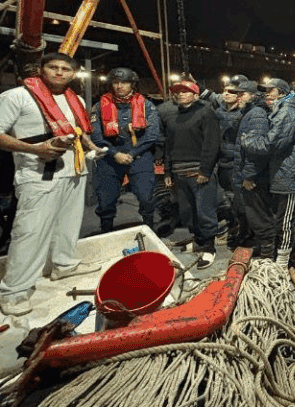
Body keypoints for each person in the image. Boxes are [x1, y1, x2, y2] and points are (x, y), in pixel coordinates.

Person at [0, 53, 105, 316]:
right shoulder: (17, 97)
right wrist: (35, 149)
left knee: (68, 225)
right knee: (30, 233)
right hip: (38, 175)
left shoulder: (77, 99)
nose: (59, 72)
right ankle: (14, 292)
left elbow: (78, 132)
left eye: (65, 69)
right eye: (53, 67)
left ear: (73, 73)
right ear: (41, 70)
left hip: (74, 171)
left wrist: (92, 149)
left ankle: (64, 264)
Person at [240, 77, 295, 268]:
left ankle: (281, 261)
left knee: (284, 219)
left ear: (281, 93)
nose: (267, 94)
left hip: (289, 174)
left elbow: (272, 143)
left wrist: (247, 141)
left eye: (270, 91)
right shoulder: (283, 108)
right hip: (288, 172)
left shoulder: (287, 113)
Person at [90, 67, 160, 233]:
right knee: (106, 200)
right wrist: (115, 154)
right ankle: (106, 233)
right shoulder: (99, 106)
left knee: (146, 197)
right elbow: (96, 137)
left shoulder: (147, 106)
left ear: (132, 84)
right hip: (110, 156)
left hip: (140, 155)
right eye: (115, 82)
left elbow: (152, 135)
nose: (119, 86)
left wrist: (131, 154)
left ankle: (149, 231)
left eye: (124, 82)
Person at [161, 78, 220, 269]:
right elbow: (169, 146)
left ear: (195, 95)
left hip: (199, 172)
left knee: (205, 211)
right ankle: (198, 240)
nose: (180, 94)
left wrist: (205, 170)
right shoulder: (172, 116)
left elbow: (212, 143)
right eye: (177, 92)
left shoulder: (205, 112)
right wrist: (168, 171)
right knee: (188, 211)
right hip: (179, 172)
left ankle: (209, 248)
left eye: (185, 91)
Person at [231, 81, 273, 255]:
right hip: (251, 174)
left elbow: (256, 149)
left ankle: (268, 253)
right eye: (238, 94)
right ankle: (266, 247)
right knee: (256, 213)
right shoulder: (250, 112)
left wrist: (249, 175)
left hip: (254, 178)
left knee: (258, 215)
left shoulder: (255, 114)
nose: (238, 97)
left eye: (243, 94)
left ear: (253, 96)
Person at [213, 80, 245, 233]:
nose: (226, 93)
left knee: (238, 197)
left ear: (239, 96)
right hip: (221, 161)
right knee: (224, 195)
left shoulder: (243, 114)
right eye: (225, 90)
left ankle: (240, 226)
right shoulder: (218, 112)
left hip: (236, 162)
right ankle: (231, 222)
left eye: (231, 91)